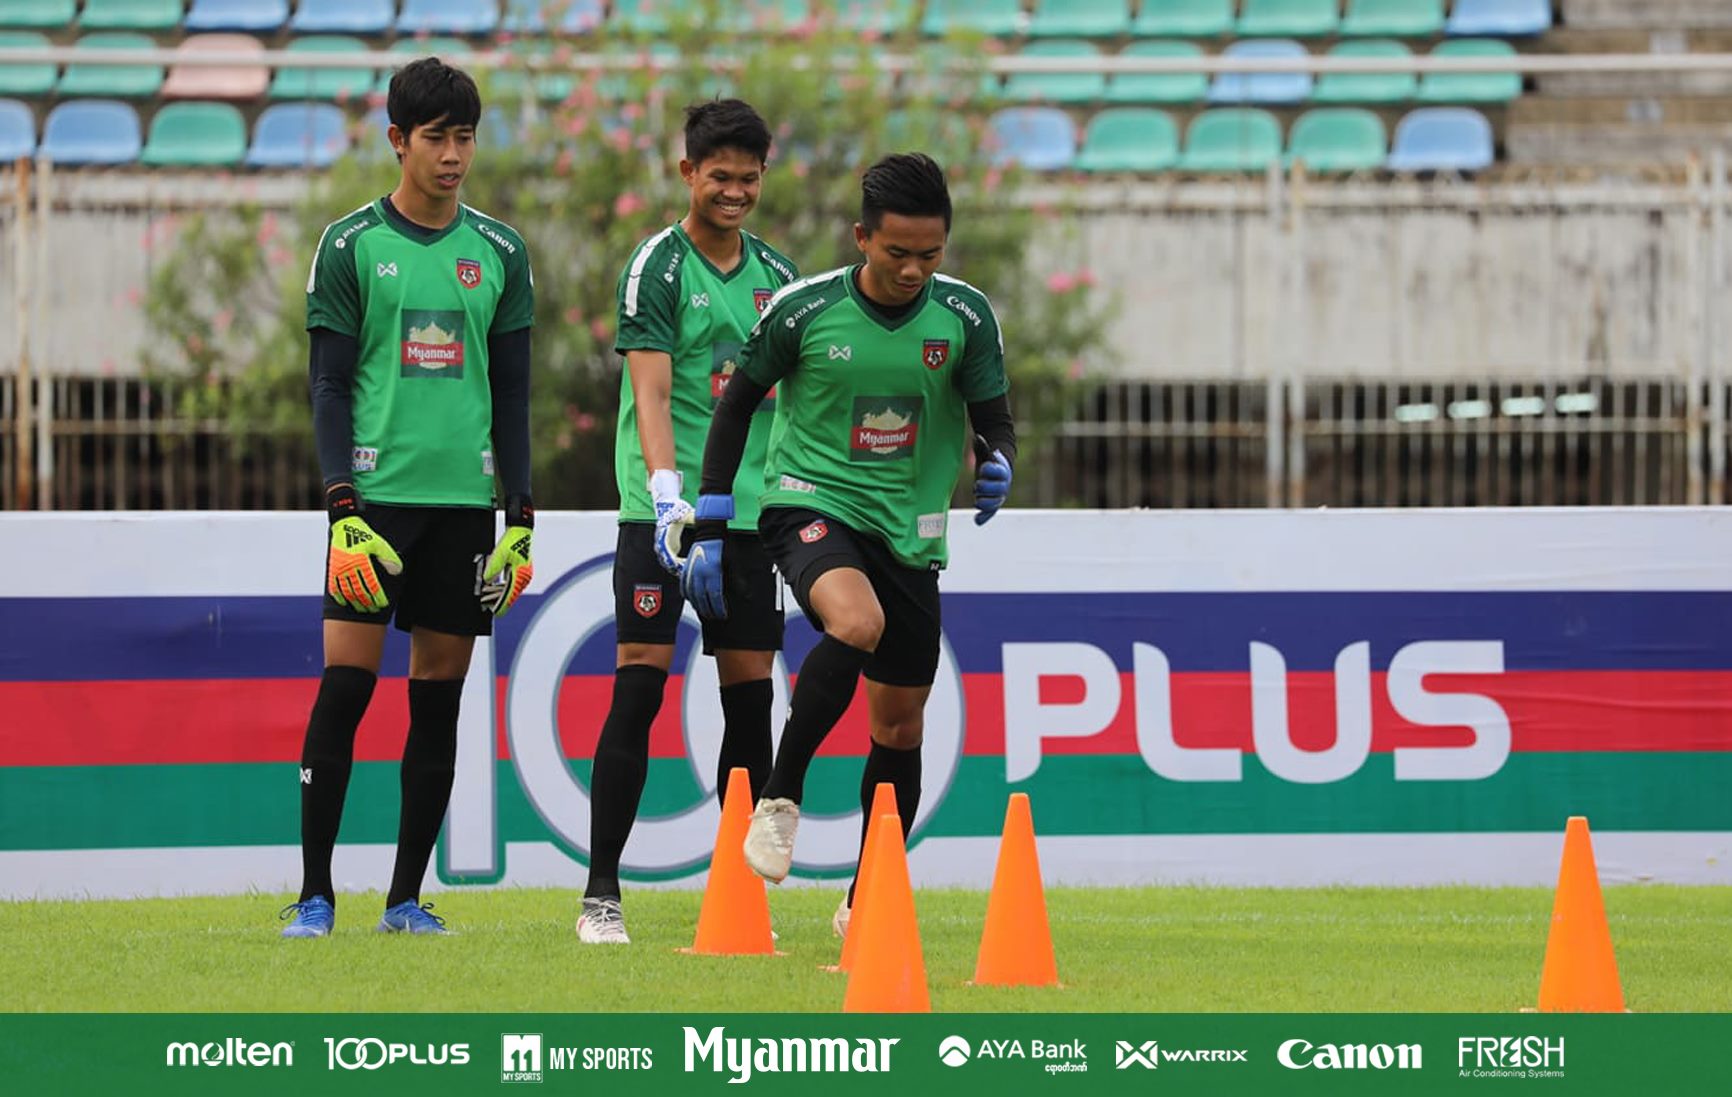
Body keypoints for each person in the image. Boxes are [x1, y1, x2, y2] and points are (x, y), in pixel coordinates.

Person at [685, 152, 1015, 938]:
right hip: (809, 500)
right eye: (896, 252)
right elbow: (736, 405)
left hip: (910, 530)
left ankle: (867, 897)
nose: (912, 269)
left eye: (929, 254)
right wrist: (712, 515)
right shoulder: (803, 311)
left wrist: (998, 460)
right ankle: (780, 795)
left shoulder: (965, 317)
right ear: (862, 238)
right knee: (856, 622)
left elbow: (994, 418)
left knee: (900, 727)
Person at [279, 57, 536, 938]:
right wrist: (341, 507)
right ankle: (315, 894)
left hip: (462, 510)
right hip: (373, 510)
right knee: (344, 691)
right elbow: (328, 386)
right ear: (398, 140)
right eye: (436, 138)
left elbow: (513, 395)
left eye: (466, 137)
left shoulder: (501, 252)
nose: (454, 155)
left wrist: (521, 517)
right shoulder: (351, 244)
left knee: (438, 703)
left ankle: (402, 900)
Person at [577, 99, 800, 945]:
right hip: (663, 517)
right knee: (638, 687)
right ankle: (601, 893)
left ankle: (734, 900)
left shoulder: (778, 275)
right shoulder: (657, 267)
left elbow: (789, 400)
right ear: (687, 174)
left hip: (744, 517)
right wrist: (670, 499)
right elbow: (654, 392)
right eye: (719, 177)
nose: (734, 192)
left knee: (749, 702)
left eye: (748, 178)